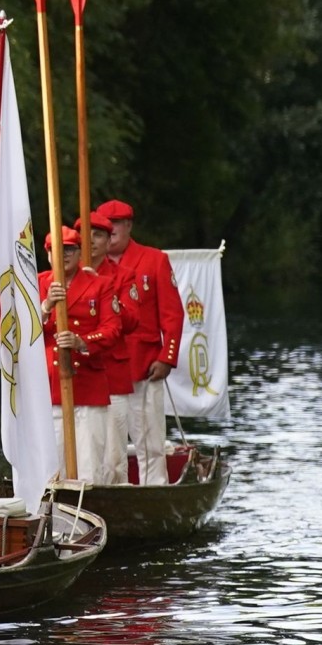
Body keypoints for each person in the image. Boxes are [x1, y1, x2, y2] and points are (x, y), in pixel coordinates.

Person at [96, 199, 184, 485]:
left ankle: (155, 492)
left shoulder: (153, 259)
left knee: (150, 441)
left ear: (129, 226)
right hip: (106, 368)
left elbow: (172, 314)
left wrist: (167, 357)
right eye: (104, 229)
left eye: (115, 226)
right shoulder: (93, 265)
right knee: (109, 445)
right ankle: (112, 495)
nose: (110, 234)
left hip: (145, 364)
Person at [39, 226, 123, 485]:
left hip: (87, 384)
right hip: (49, 386)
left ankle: (85, 517)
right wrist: (46, 306)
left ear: (79, 253)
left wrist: (81, 341)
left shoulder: (100, 284)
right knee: (51, 466)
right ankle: (50, 520)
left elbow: (113, 329)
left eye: (70, 249)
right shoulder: (36, 283)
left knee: (89, 465)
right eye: (57, 250)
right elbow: (19, 333)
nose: (63, 255)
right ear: (48, 253)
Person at [77, 211, 139, 483]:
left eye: (98, 235)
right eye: (85, 234)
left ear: (108, 240)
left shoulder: (123, 276)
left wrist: (102, 291)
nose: (90, 241)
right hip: (77, 375)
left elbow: (132, 320)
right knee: (79, 451)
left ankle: (117, 512)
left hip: (112, 374)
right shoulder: (62, 275)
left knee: (114, 456)